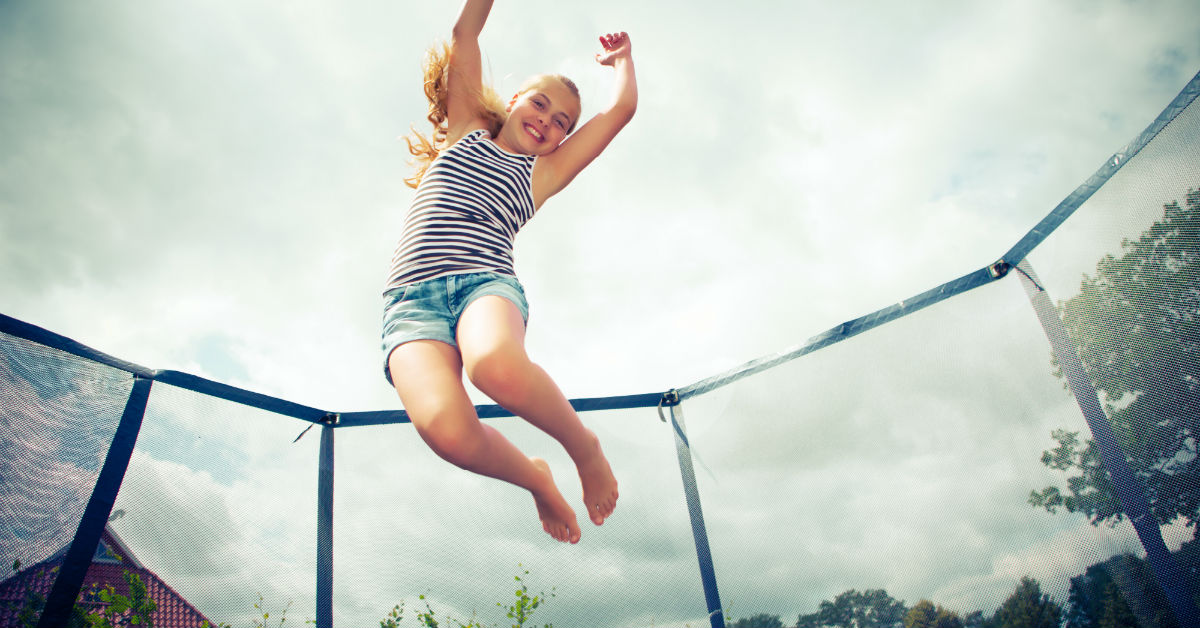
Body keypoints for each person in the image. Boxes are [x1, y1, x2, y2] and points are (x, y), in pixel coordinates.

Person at [381, 0, 637, 544]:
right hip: (408, 306)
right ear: (515, 99)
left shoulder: (543, 172)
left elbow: (618, 114)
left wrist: (622, 64)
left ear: (564, 139)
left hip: (483, 285)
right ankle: (536, 479)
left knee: (494, 365)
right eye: (540, 105)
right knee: (445, 430)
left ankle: (584, 447)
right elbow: (465, 31)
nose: (546, 121)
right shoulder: (466, 127)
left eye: (561, 122)